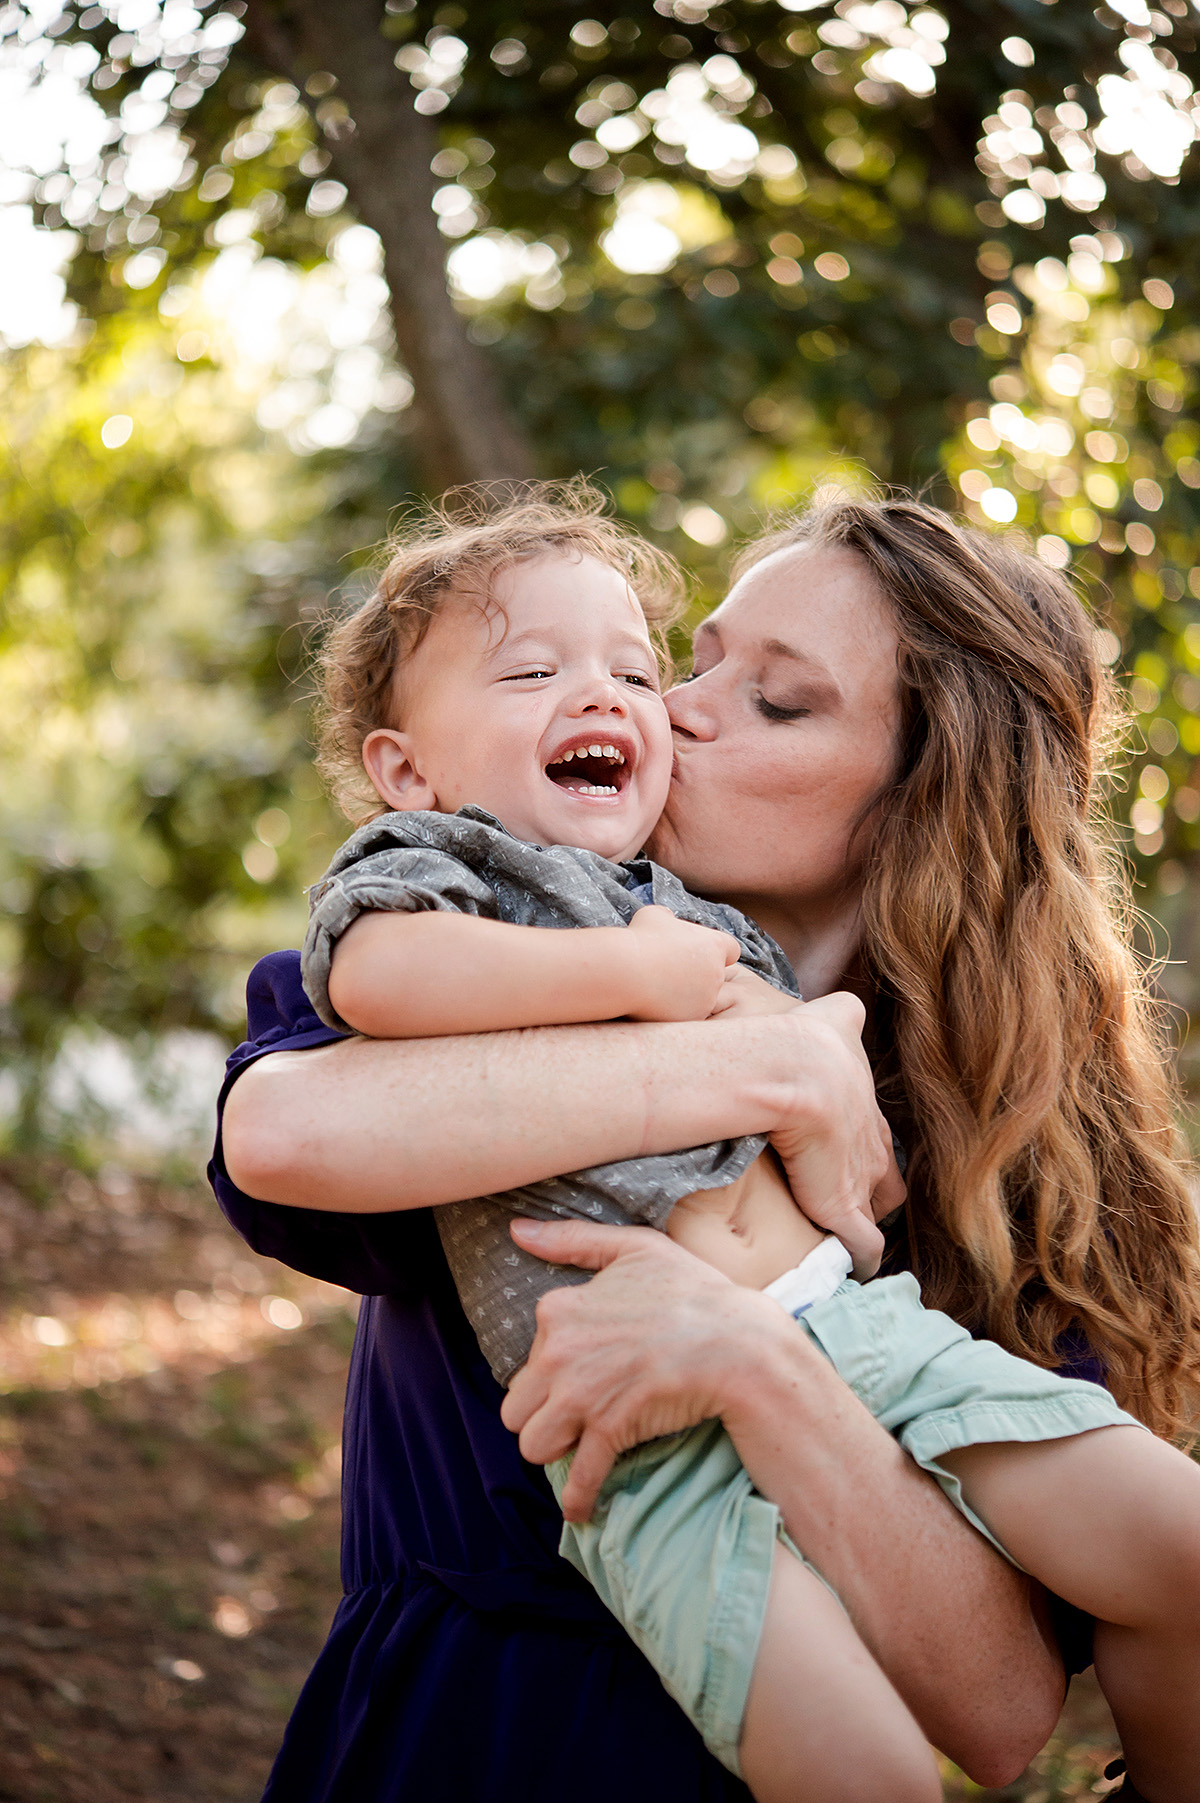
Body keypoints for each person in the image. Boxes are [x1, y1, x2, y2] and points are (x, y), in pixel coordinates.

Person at [213, 491, 1200, 1803]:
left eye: (778, 703)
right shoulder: (478, 955)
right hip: (464, 1748)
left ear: (926, 802)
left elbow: (1004, 1714)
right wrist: (769, 1061)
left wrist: (753, 1366)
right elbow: (285, 1131)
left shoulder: (1016, 1180)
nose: (669, 706)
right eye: (698, 661)